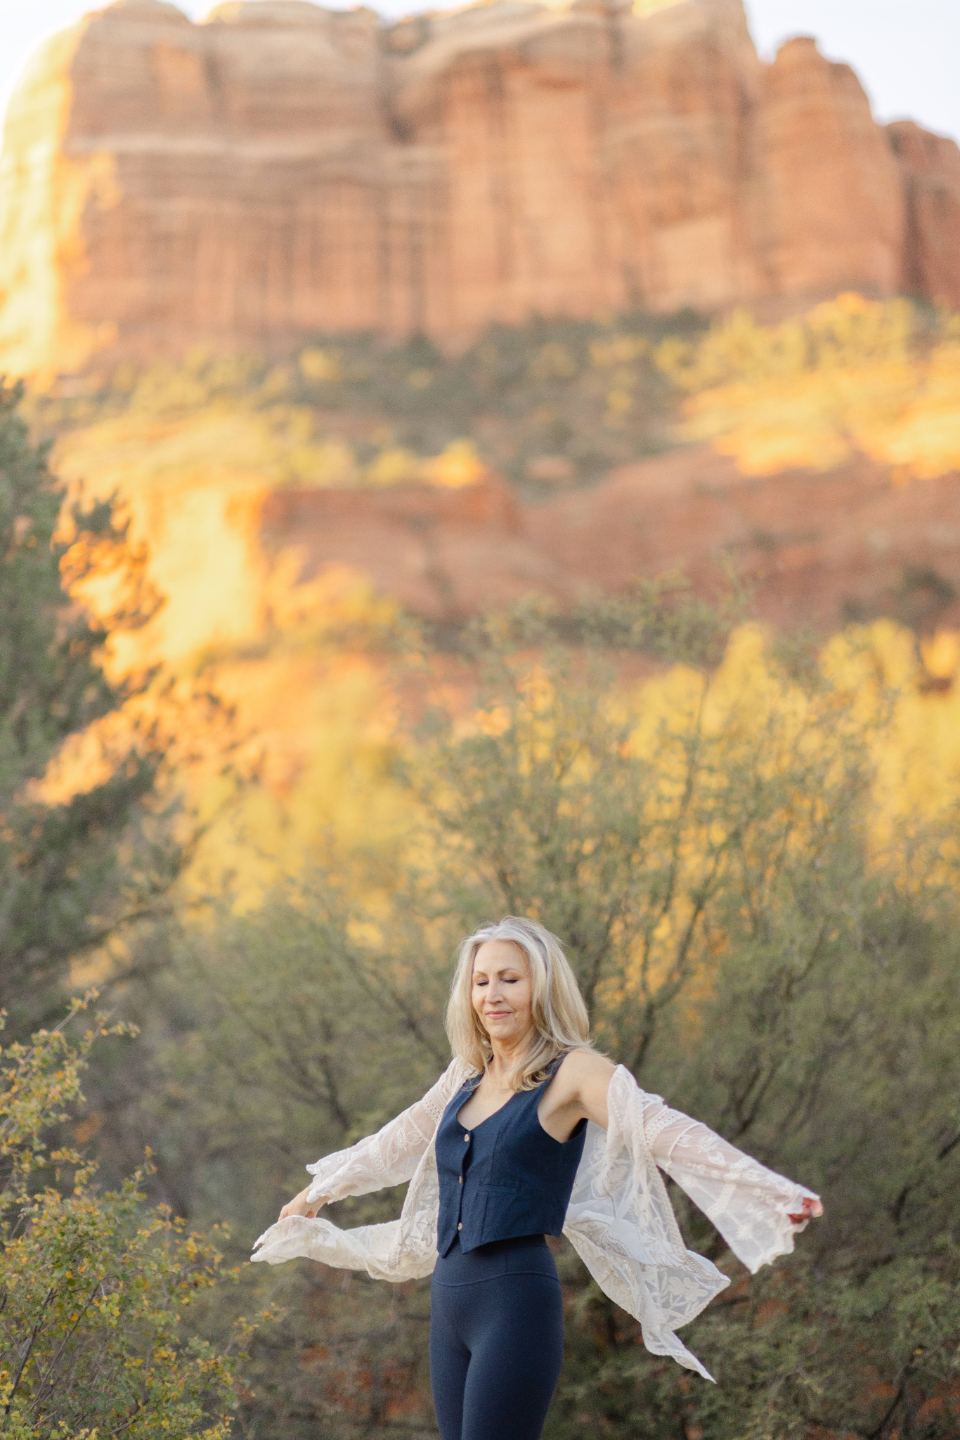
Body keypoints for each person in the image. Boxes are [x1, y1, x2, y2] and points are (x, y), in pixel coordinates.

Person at [253, 916, 822, 1440]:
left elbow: (661, 1129)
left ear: (543, 988)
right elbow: (398, 1140)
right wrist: (316, 1192)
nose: (492, 995)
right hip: (448, 1305)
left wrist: (764, 1187)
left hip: (514, 1304)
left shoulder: (573, 1073)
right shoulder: (467, 1074)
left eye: (510, 979)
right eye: (480, 982)